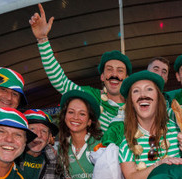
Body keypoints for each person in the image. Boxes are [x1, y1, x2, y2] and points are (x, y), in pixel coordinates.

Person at [30, 3, 132, 131]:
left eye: (120, 70)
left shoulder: (137, 105)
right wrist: (42, 40)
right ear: (102, 76)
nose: (114, 74)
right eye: (109, 69)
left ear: (127, 77)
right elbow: (60, 81)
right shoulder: (90, 97)